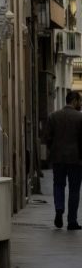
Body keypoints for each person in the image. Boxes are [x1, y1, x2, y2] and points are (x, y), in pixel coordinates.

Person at [43, 89, 82, 230]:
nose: (80, 104)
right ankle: (72, 221)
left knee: (58, 185)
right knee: (74, 190)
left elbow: (47, 138)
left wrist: (53, 150)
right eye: (80, 101)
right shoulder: (80, 117)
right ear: (75, 101)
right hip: (76, 159)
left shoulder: (53, 116)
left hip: (58, 158)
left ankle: (59, 209)